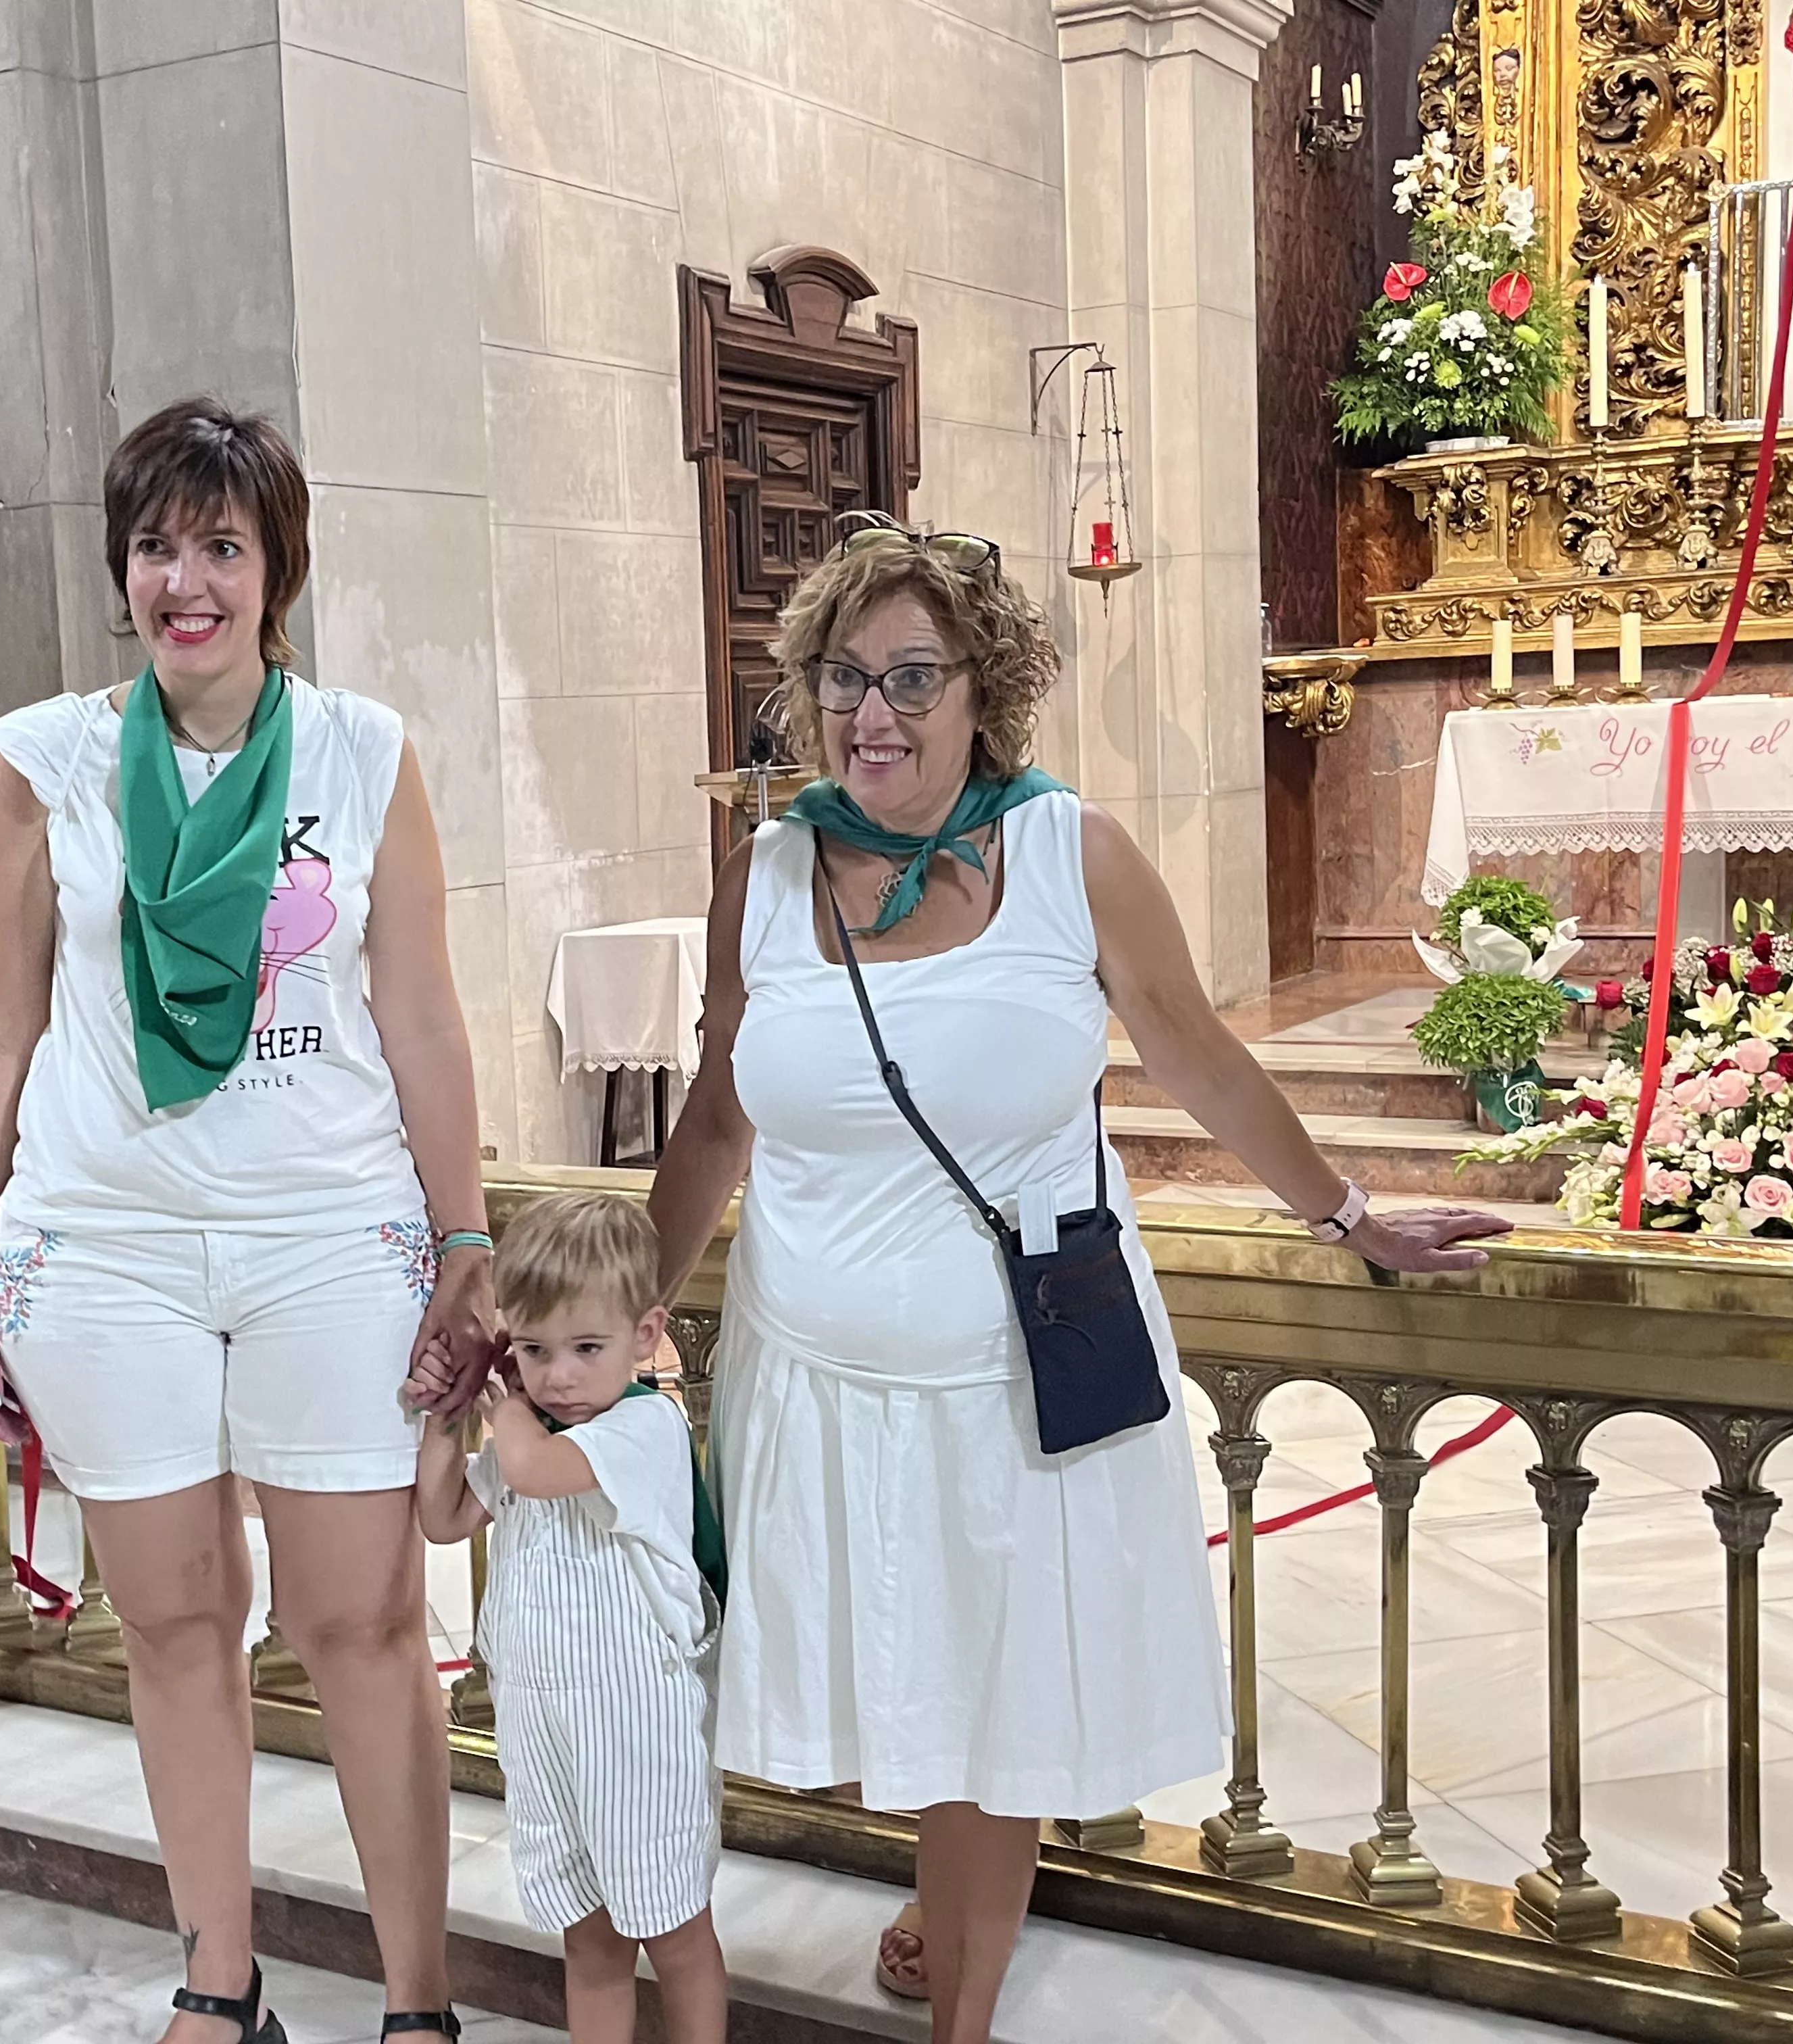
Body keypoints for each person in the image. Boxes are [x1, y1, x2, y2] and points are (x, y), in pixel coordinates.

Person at [643, 512, 1512, 2044]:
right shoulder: (766, 877)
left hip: (1009, 1382)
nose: (876, 714)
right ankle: (939, 1889)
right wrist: (635, 1298)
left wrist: (1351, 1209)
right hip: (819, 1386)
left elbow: (1200, 1057)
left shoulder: (1067, 852)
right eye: (845, 677)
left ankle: (963, 2017)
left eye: (916, 676)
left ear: (987, 690)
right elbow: (718, 1112)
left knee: (993, 1708)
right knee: (878, 1689)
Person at [0, 395, 493, 2044]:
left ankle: (415, 2005)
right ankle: (219, 1977)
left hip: (329, 1234)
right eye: (157, 546)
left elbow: (426, 1021)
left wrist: (463, 1242)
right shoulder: (40, 762)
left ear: (277, 570)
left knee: (365, 1626)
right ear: (122, 570)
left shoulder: (363, 754)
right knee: (178, 1624)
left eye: (223, 546)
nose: (187, 580)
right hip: (104, 1245)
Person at [410, 1192, 727, 2044]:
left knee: (673, 1926)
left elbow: (544, 1471)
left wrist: (503, 1403)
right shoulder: (532, 1429)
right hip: (541, 1717)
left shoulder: (641, 1425)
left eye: (588, 1348)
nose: (560, 1375)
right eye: (536, 1350)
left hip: (636, 1723)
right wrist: (448, 1415)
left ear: (647, 1334)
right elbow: (442, 1518)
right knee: (586, 1935)